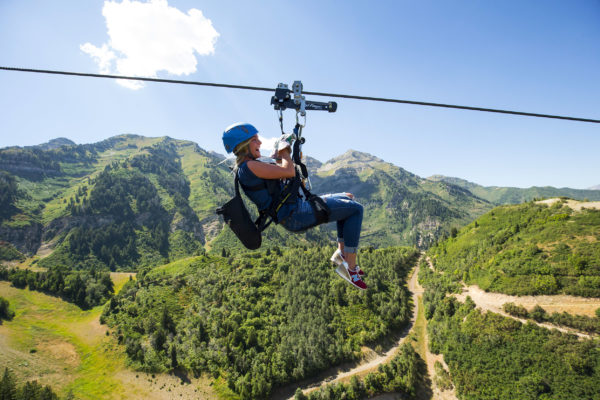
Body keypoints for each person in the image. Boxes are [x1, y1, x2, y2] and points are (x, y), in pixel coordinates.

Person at [222, 122, 367, 290]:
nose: (260, 143)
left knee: (347, 198)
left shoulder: (249, 167)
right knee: (356, 209)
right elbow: (288, 171)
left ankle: (342, 253)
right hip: (297, 214)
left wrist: (282, 149)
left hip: (296, 209)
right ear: (243, 145)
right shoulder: (249, 167)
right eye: (255, 140)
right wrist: (284, 149)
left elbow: (279, 171)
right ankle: (350, 267)